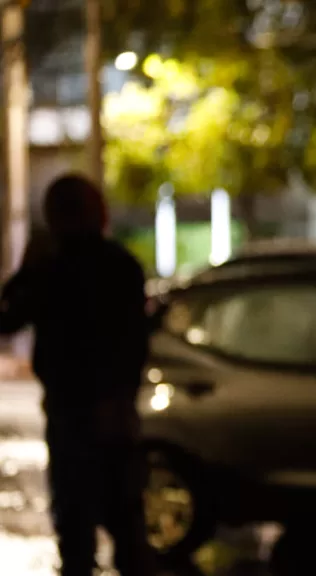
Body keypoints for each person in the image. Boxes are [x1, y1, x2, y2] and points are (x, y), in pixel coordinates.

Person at [0, 174, 156, 576]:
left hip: (71, 416)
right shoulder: (122, 265)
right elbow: (138, 343)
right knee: (128, 532)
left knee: (76, 536)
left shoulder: (51, 269)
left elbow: (8, 319)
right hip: (116, 414)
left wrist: (24, 271)